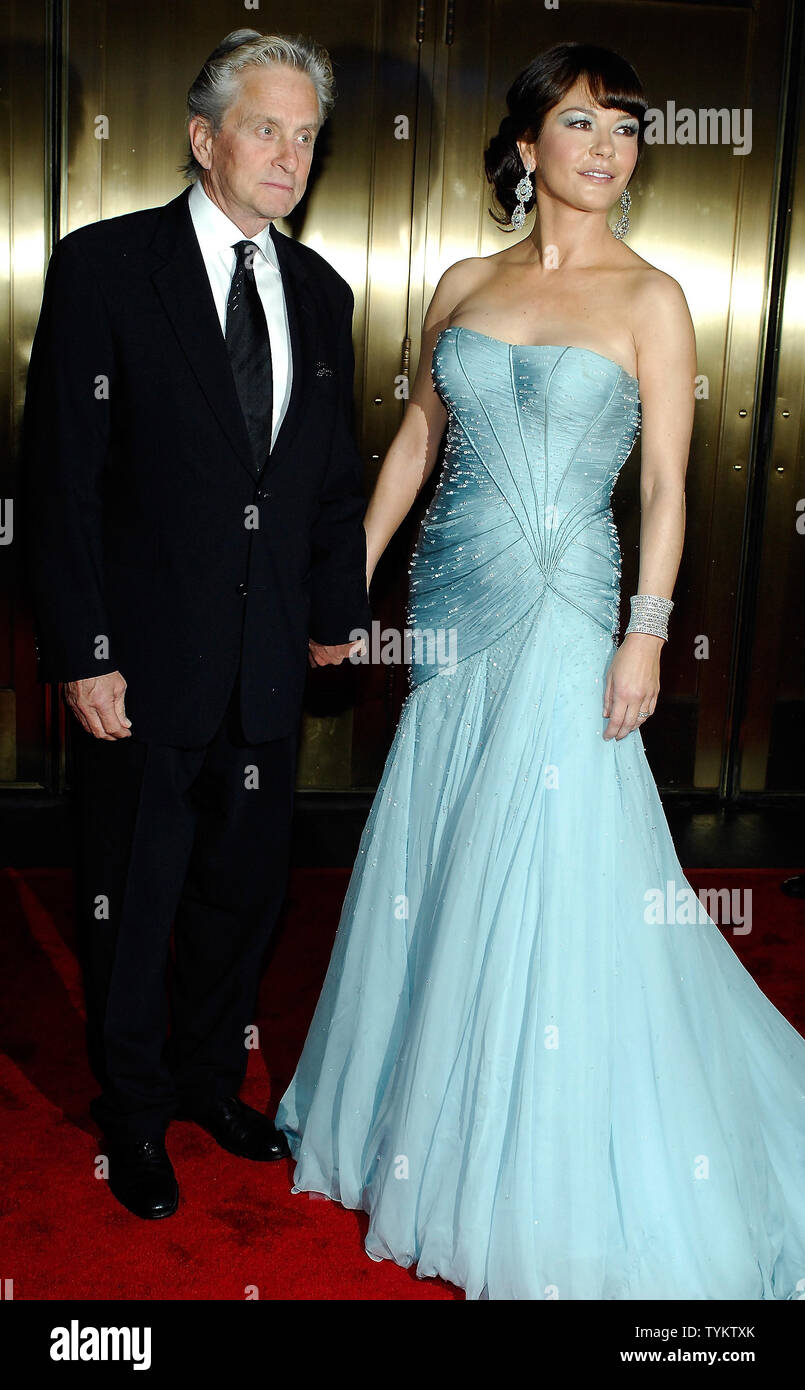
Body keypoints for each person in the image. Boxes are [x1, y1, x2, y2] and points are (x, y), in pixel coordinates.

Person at [276, 42, 805, 1299]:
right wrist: (341, 576)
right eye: (580, 124)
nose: (606, 147)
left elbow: (670, 484)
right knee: (444, 854)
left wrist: (647, 627)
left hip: (571, 618)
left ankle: (535, 1158)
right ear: (525, 148)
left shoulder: (653, 299)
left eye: (624, 128)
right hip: (450, 612)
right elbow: (413, 445)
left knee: (549, 870)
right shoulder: (460, 280)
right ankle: (427, 1116)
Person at [21, 29, 371, 1220]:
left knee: (242, 892)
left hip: (268, 665)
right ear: (203, 137)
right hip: (143, 665)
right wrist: (84, 651)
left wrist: (334, 614)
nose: (289, 155)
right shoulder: (107, 268)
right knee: (135, 894)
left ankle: (209, 1080)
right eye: (266, 128)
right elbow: (59, 478)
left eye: (307, 135)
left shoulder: (324, 295)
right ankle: (131, 1116)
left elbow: (328, 479)